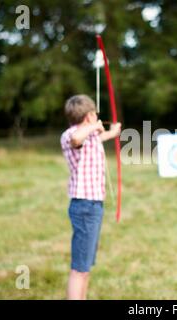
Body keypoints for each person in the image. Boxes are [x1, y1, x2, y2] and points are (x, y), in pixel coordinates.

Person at [60, 94, 121, 300]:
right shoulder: (71, 135)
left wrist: (113, 132)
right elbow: (78, 138)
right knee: (79, 268)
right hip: (85, 206)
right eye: (95, 114)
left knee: (85, 266)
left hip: (92, 206)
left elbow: (96, 139)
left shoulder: (90, 136)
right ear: (89, 116)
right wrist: (95, 126)